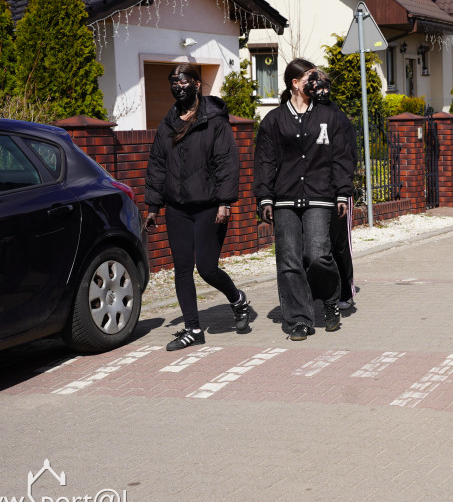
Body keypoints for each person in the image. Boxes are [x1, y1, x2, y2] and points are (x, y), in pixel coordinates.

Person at [145, 64, 251, 351]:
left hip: (209, 206)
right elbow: (157, 164)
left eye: (183, 82)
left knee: (206, 268)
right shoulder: (168, 123)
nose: (178, 87)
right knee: (182, 269)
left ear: (195, 83)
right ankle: (193, 329)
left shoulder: (214, 120)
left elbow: (227, 161)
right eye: (173, 82)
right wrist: (153, 205)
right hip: (177, 208)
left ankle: (238, 300)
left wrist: (225, 202)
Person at [254, 59, 354, 341]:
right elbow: (265, 161)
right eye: (311, 77)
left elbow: (342, 157)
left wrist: (343, 191)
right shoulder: (273, 120)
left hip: (320, 196)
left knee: (318, 254)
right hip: (285, 198)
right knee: (289, 261)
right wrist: (265, 197)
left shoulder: (329, 117)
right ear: (295, 83)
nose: (316, 82)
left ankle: (330, 299)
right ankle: (299, 319)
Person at [311, 70, 359, 310]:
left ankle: (346, 291)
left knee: (339, 244)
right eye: (316, 87)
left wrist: (343, 186)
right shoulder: (303, 117)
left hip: (336, 191)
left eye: (325, 87)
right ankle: (319, 290)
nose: (321, 92)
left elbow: (350, 156)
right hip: (312, 191)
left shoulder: (338, 118)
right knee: (316, 245)